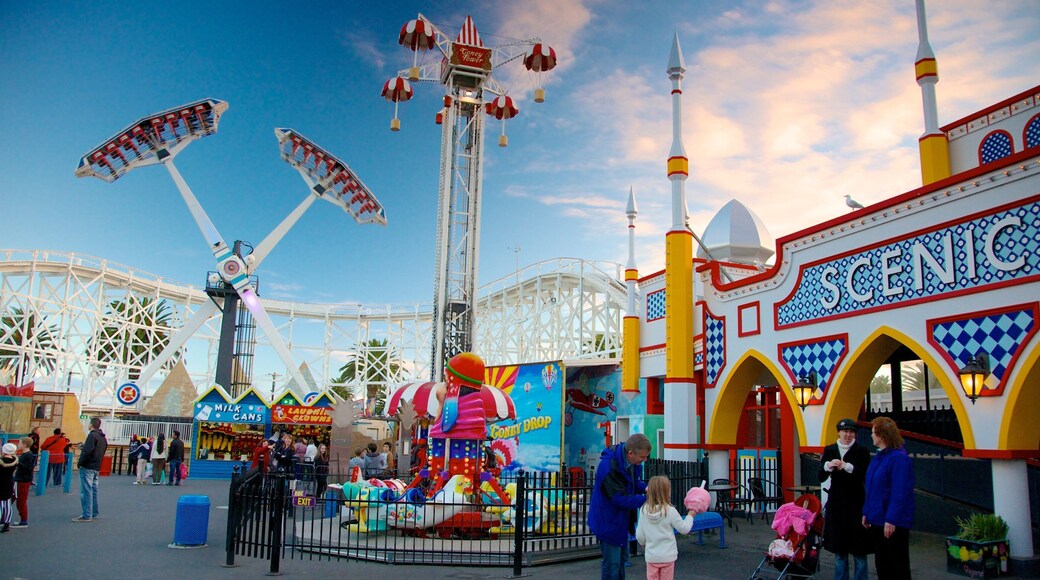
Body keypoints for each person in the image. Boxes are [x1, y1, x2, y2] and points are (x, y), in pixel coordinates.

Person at [589, 432, 651, 579]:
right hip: (608, 520)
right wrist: (647, 499)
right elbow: (619, 498)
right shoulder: (609, 467)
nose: (644, 460)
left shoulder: (627, 463)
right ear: (630, 454)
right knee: (612, 564)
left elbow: (632, 484)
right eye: (642, 457)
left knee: (621, 561)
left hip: (619, 520)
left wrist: (648, 488)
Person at [819, 418, 872, 580]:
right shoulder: (830, 450)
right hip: (837, 504)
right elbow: (820, 477)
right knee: (840, 551)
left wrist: (848, 467)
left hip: (856, 504)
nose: (848, 435)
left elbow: (865, 476)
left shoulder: (862, 451)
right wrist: (827, 466)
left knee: (859, 551)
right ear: (839, 432)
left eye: (851, 432)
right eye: (845, 432)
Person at [862, 416, 915, 580]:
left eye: (873, 432)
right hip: (878, 519)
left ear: (881, 435)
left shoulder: (899, 459)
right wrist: (867, 512)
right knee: (882, 564)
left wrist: (891, 519)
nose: (871, 435)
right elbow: (872, 488)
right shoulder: (879, 457)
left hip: (891, 522)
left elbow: (899, 492)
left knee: (896, 565)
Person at [636, 475, 695, 580]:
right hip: (668, 555)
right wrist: (690, 515)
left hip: (652, 556)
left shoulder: (643, 510)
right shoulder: (670, 511)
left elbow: (640, 534)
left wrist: (643, 544)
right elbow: (684, 529)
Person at [75, 416, 107, 522]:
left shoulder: (92, 436)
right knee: (94, 490)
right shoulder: (103, 438)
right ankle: (94, 512)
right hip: (96, 466)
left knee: (86, 491)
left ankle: (86, 514)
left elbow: (87, 452)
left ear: (91, 425)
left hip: (88, 466)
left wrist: (80, 463)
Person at [11, 437, 36, 528]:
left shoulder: (28, 455)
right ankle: (6, 517)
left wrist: (17, 462)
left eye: (20, 443)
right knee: (13, 498)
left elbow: (27, 468)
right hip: (19, 479)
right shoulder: (25, 454)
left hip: (23, 480)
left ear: (24, 445)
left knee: (21, 501)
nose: (18, 444)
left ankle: (24, 521)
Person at [0, 443, 16, 533]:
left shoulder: (2, 461)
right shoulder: (14, 461)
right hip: (9, 482)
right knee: (7, 503)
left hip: (1, 482)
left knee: (0, 503)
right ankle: (7, 524)